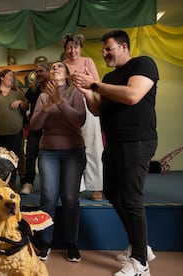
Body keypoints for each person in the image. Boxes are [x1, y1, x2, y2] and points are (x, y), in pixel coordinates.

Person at [71, 29, 158, 276]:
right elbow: (98, 109)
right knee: (113, 194)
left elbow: (132, 96)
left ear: (123, 47)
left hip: (138, 142)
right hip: (115, 144)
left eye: (108, 48)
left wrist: (95, 84)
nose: (104, 53)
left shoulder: (143, 64)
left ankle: (140, 263)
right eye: (103, 50)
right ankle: (140, 246)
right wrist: (87, 91)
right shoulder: (110, 76)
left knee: (131, 199)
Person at [30, 61, 86, 262]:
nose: (54, 68)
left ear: (67, 74)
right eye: (52, 67)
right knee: (48, 197)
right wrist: (47, 105)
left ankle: (71, 243)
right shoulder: (43, 95)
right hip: (48, 152)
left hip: (73, 151)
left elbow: (79, 120)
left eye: (59, 67)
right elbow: (34, 125)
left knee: (70, 198)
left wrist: (59, 101)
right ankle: (45, 242)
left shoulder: (75, 93)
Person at [62, 33, 104, 201]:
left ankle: (97, 187)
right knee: (73, 147)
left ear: (80, 47)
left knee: (93, 145)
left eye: (75, 47)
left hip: (88, 103)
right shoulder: (62, 65)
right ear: (65, 49)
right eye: (69, 47)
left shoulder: (88, 62)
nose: (72, 50)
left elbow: (97, 84)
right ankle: (76, 186)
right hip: (69, 105)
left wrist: (86, 79)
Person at [0, 69, 29, 189]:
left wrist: (20, 102)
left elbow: (26, 106)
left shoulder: (16, 93)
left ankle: (11, 184)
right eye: (9, 76)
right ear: (2, 78)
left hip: (14, 133)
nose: (12, 79)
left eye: (13, 77)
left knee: (12, 160)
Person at [20, 63, 49, 195]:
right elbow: (26, 105)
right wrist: (20, 104)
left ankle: (49, 185)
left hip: (50, 130)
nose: (38, 74)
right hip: (34, 128)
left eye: (41, 71)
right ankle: (28, 183)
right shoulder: (33, 89)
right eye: (36, 72)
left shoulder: (53, 88)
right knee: (30, 155)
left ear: (48, 72)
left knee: (47, 158)